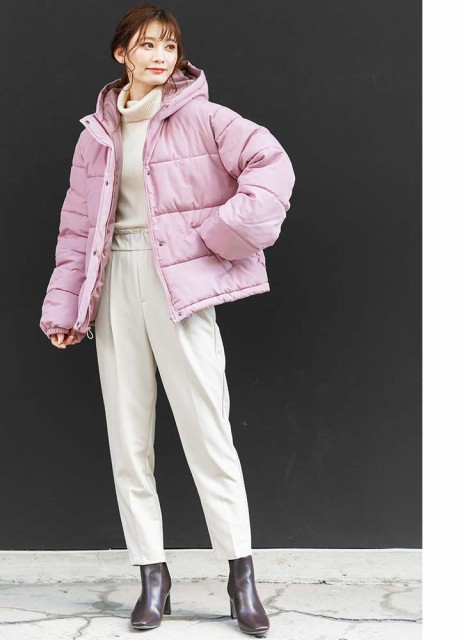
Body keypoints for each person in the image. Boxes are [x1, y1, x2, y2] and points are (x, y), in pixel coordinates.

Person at [38, 3, 295, 635]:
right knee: (129, 441)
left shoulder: (204, 117)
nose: (160, 56)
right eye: (148, 44)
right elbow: (77, 228)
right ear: (121, 53)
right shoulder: (95, 136)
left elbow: (272, 167)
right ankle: (152, 576)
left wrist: (221, 236)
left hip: (178, 284)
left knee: (208, 433)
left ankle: (240, 577)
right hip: (115, 283)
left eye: (170, 45)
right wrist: (66, 307)